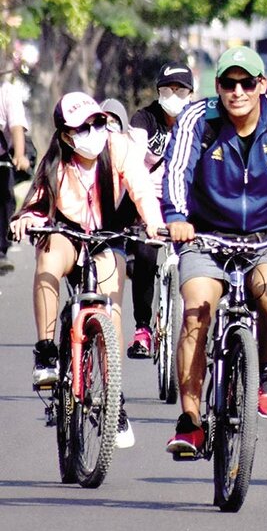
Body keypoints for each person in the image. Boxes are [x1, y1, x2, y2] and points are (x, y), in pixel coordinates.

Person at [161, 46, 267, 454]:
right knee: (197, 311)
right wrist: (177, 217)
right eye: (228, 84)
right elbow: (177, 170)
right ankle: (191, 420)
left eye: (247, 83)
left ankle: (263, 367)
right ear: (217, 87)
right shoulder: (198, 118)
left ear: (262, 85)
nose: (238, 92)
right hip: (207, 235)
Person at [10, 91, 165, 448]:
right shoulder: (55, 162)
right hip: (66, 233)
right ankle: (47, 352)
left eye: (98, 122)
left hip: (107, 237)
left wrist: (154, 223)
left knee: (112, 304)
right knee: (47, 259)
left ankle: (114, 396)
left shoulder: (119, 147)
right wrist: (27, 221)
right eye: (84, 127)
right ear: (66, 135)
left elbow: (141, 189)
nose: (95, 131)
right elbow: (36, 204)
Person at [117, 61, 196, 359]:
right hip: (146, 198)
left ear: (190, 93)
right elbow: (133, 164)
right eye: (167, 89)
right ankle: (142, 329)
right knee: (146, 254)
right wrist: (144, 210)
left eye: (180, 90)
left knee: (199, 259)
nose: (173, 95)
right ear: (159, 91)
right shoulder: (144, 119)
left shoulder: (199, 122)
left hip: (184, 200)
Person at [0, 74, 31, 274]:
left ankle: (1, 251)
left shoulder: (7, 92)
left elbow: (16, 126)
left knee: (5, 198)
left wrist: (19, 155)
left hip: (1, 156)